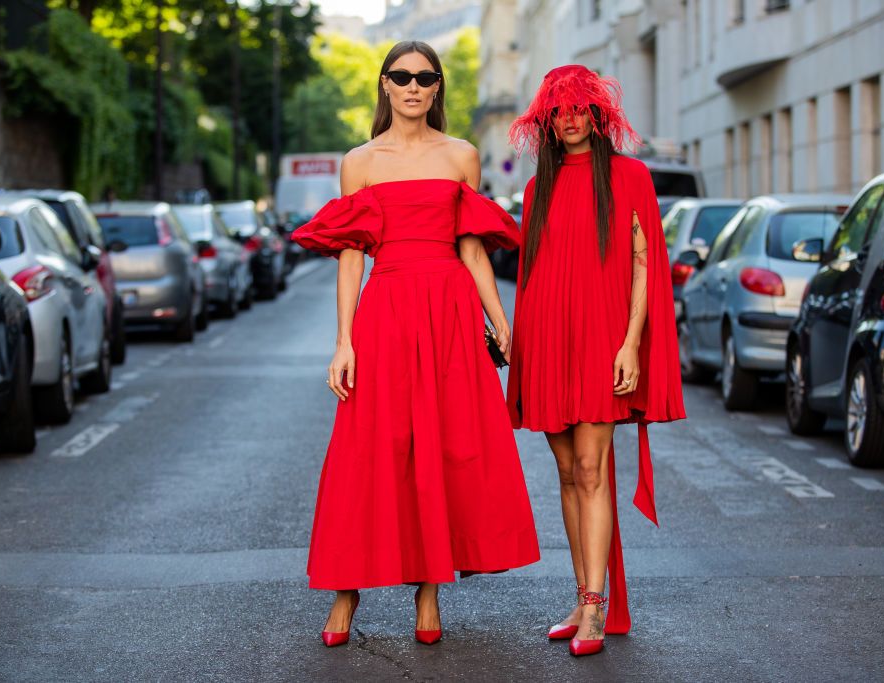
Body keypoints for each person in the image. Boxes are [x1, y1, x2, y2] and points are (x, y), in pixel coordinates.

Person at [291, 40, 539, 648]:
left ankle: (429, 590)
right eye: (401, 76)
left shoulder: (462, 156)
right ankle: (345, 592)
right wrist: (343, 341)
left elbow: (473, 248)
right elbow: (351, 254)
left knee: (444, 444)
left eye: (425, 77)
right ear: (383, 84)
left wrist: (500, 322)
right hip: (387, 308)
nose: (412, 86)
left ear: (436, 88)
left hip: (451, 310)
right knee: (369, 448)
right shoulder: (360, 162)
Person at [506, 65, 685, 657]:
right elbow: (530, 277)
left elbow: (644, 267)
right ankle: (582, 592)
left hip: (604, 342)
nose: (572, 119)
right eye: (560, 112)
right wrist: (521, 346)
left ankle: (594, 608)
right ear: (548, 124)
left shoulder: (631, 177)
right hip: (549, 341)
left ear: (599, 115)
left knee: (591, 469)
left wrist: (631, 342)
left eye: (582, 109)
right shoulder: (538, 190)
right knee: (564, 473)